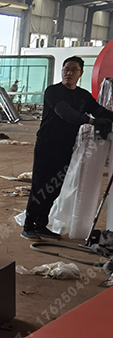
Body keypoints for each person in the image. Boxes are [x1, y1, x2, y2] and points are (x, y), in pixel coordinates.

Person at [22, 56, 113, 240]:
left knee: (55, 187)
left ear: (81, 73)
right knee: (40, 186)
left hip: (66, 147)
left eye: (73, 70)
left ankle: (41, 225)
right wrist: (91, 121)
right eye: (66, 69)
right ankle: (28, 226)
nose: (68, 73)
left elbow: (100, 111)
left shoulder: (83, 96)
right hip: (47, 145)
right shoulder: (53, 91)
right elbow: (64, 113)